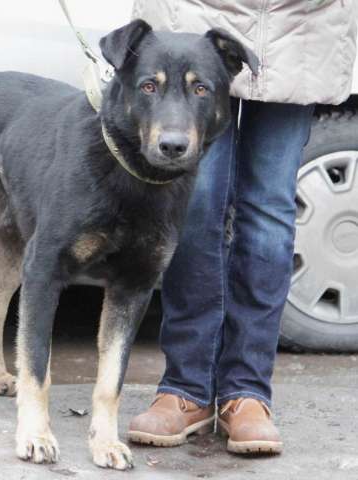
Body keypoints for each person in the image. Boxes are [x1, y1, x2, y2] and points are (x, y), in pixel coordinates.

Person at [127, 0, 357, 454]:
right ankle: (186, 387)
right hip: (194, 15)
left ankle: (247, 393)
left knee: (270, 211)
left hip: (300, 24)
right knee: (194, 204)